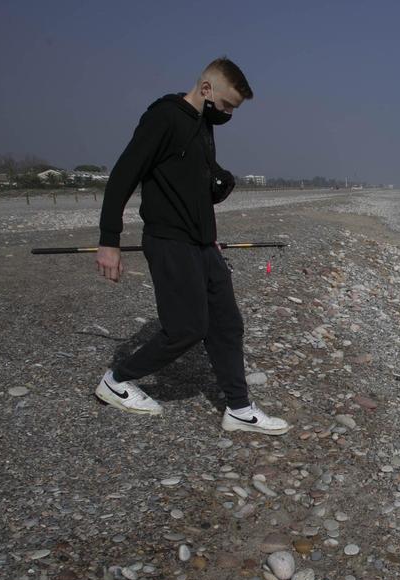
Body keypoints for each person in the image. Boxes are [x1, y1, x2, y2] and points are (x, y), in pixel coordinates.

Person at [92, 57, 290, 435]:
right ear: (205, 90)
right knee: (186, 328)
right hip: (169, 241)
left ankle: (239, 408)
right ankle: (116, 380)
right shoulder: (164, 117)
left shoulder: (202, 126)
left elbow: (188, 185)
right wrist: (109, 241)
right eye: (228, 104)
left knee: (227, 324)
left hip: (203, 243)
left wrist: (217, 185)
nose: (229, 113)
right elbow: (123, 175)